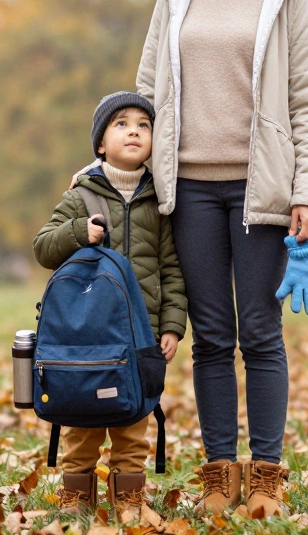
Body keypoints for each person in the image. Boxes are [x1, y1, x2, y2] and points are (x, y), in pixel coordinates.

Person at [137, 0, 308, 517]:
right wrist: (118, 171)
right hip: (188, 189)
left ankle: (268, 477)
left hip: (261, 190)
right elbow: (146, 93)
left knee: (260, 330)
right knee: (212, 335)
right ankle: (220, 476)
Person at [33, 91, 188, 520]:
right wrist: (79, 231)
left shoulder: (161, 200)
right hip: (84, 337)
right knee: (82, 425)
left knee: (133, 422)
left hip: (140, 337)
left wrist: (172, 326)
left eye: (143, 124)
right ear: (100, 143)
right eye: (121, 124)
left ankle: (129, 500)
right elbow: (44, 249)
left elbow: (172, 268)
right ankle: (76, 498)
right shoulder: (80, 196)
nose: (134, 130)